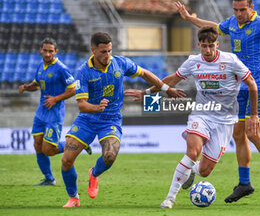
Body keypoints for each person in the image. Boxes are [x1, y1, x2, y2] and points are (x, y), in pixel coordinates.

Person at [175, 0, 260, 202]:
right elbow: (212, 27)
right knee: (238, 134)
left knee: (253, 133)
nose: (238, 13)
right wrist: (189, 18)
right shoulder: (231, 23)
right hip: (239, 88)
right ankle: (244, 183)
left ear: (251, 8)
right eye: (236, 10)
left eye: (242, 10)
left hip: (258, 86)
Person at [125, 26, 259, 209]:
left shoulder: (231, 60)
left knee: (205, 171)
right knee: (192, 152)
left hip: (225, 121)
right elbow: (172, 79)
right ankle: (170, 198)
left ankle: (191, 170)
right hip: (201, 113)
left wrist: (253, 115)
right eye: (204, 46)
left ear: (217, 44)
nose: (208, 50)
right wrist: (146, 92)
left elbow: (251, 83)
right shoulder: (193, 62)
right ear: (199, 45)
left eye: (211, 46)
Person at [61, 32, 184, 208]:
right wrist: (96, 107)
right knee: (66, 160)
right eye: (103, 52)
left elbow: (144, 73)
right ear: (93, 50)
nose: (107, 55)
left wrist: (165, 88)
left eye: (109, 50)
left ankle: (94, 173)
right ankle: (73, 197)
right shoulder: (83, 72)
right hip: (87, 119)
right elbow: (81, 105)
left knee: (110, 156)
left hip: (111, 120)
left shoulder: (120, 63)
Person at [18, 38, 91, 186]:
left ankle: (79, 144)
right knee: (37, 145)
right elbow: (37, 85)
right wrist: (26, 87)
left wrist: (55, 99)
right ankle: (49, 178)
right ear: (41, 50)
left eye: (51, 51)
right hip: (41, 111)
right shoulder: (40, 66)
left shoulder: (61, 69)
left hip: (55, 113)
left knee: (48, 150)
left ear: (55, 52)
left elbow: (72, 89)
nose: (47, 53)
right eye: (45, 50)